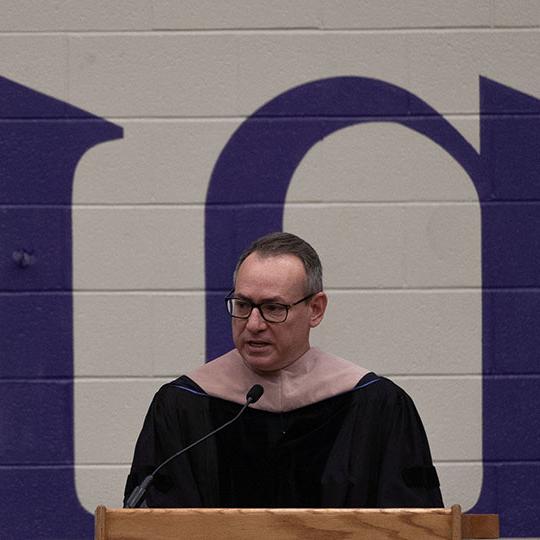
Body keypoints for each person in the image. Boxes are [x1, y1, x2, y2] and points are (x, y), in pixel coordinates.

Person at [124, 232, 443, 508]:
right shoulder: (184, 405)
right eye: (243, 305)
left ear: (315, 309)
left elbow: (415, 525)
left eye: (273, 308)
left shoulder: (377, 406)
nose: (253, 324)